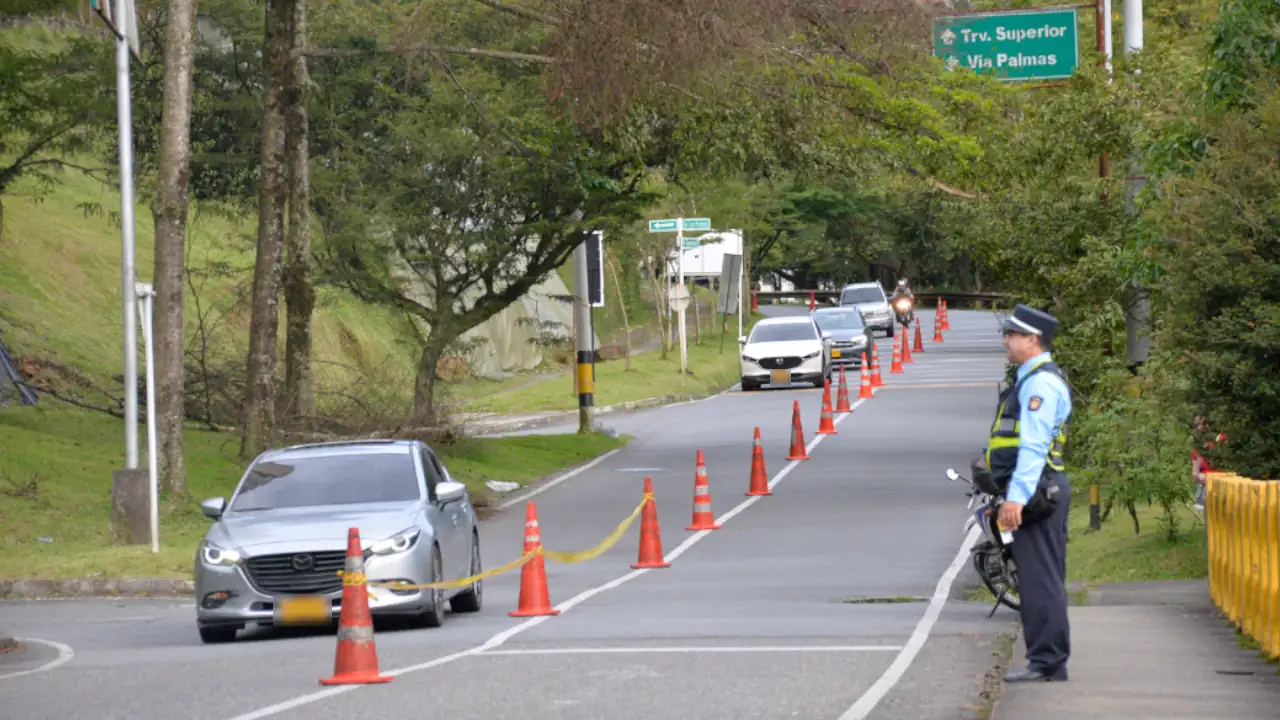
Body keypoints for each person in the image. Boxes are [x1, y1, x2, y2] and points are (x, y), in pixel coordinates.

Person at [986, 303, 1073, 683]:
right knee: (1037, 576)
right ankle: (1045, 658)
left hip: (1038, 491)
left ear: (1032, 340)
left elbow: (1034, 447)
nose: (1007, 341)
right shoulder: (1030, 379)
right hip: (1039, 488)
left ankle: (1048, 661)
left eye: (1013, 335)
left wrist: (1016, 499)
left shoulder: (1040, 384)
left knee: (1040, 580)